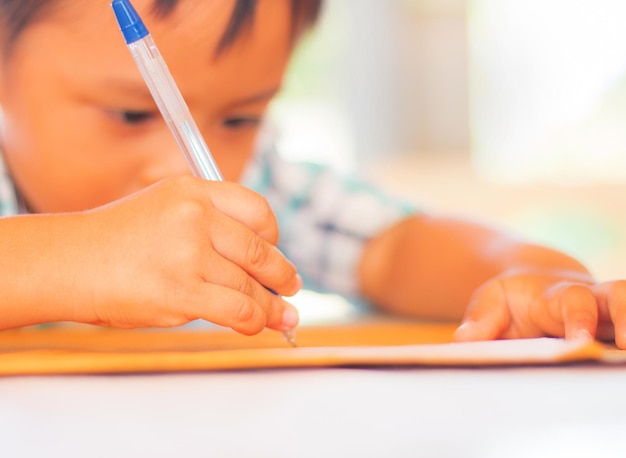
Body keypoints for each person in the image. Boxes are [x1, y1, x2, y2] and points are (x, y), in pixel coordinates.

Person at [0, 0, 624, 348]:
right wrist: (71, 258)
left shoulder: (256, 194)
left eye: (240, 118)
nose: (179, 168)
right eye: (132, 113)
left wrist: (532, 278)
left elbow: (398, 244)